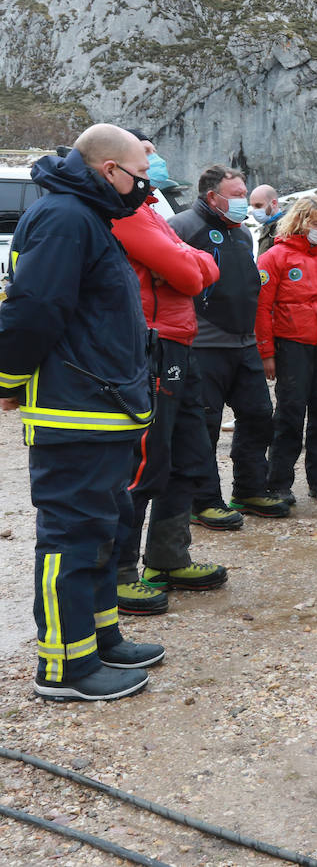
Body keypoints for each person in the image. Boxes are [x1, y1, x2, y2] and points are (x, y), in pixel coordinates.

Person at [0, 124, 162, 701]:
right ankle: (64, 668)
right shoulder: (67, 218)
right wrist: (7, 377)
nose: (144, 190)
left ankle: (98, 640)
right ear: (108, 171)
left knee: (100, 530)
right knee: (70, 537)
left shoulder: (88, 218)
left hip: (104, 409)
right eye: (139, 178)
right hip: (76, 413)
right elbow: (34, 310)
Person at [110, 132, 229, 616]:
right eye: (148, 155)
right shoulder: (125, 213)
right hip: (154, 344)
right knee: (146, 460)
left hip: (181, 341)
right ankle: (120, 572)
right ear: (118, 165)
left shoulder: (152, 211)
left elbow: (197, 265)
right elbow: (186, 272)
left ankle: (168, 556)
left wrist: (186, 263)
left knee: (188, 452)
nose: (155, 163)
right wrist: (185, 264)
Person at [168, 166, 288, 525]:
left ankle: (249, 489)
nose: (242, 201)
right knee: (203, 425)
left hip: (243, 343)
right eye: (236, 195)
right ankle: (202, 501)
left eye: (244, 193)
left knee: (258, 416)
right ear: (212, 197)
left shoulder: (242, 234)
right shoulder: (182, 227)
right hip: (203, 344)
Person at [255, 195, 317, 502]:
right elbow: (261, 308)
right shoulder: (275, 257)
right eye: (314, 223)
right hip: (293, 347)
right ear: (299, 222)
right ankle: (279, 482)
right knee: (290, 414)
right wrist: (267, 353)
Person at [249, 184, 283, 252]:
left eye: (258, 206)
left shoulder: (285, 230)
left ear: (273, 203)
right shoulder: (267, 227)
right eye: (253, 207)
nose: (255, 211)